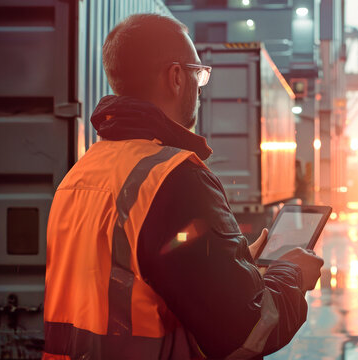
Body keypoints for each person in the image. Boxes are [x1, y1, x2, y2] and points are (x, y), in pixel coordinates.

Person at [42, 14, 324, 360]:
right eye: (199, 73)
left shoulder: (82, 173)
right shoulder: (173, 178)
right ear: (176, 76)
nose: (200, 87)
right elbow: (246, 330)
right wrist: (292, 273)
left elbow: (131, 276)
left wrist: (234, 263)